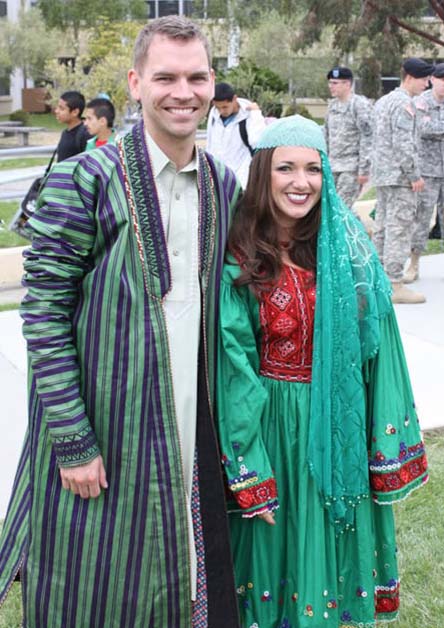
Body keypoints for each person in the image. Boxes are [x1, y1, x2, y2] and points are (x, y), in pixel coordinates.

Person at [0, 16, 241, 628]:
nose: (183, 92)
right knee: (97, 582)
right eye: (165, 77)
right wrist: (72, 439)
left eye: (196, 77)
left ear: (212, 82)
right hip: (106, 430)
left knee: (185, 574)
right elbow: (44, 314)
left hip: (193, 424)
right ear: (136, 83)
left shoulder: (222, 184)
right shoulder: (84, 179)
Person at [217, 115, 428, 628]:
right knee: (271, 564)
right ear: (263, 172)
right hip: (272, 429)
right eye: (286, 168)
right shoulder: (239, 252)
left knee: (327, 566)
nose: (301, 182)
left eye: (313, 169)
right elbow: (233, 364)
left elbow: (381, 349)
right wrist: (249, 466)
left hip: (339, 430)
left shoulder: (346, 248)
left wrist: (378, 440)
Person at [372, 57, 433, 304]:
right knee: (399, 229)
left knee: (382, 227)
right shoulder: (404, 104)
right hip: (399, 177)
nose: (427, 84)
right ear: (409, 77)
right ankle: (394, 283)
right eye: (423, 79)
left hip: (384, 175)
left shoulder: (384, 101)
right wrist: (414, 175)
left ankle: (378, 279)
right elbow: (403, 143)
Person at [405, 63, 444, 282]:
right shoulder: (421, 102)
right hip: (427, 172)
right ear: (433, 80)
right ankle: (414, 263)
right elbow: (423, 128)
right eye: (441, 79)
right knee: (421, 218)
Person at [324, 66, 373, 210]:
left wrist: (364, 169)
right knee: (332, 207)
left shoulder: (359, 105)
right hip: (333, 166)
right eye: (330, 83)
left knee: (341, 208)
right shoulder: (332, 106)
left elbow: (368, 137)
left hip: (351, 167)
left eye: (335, 83)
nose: (331, 86)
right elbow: (327, 135)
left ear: (347, 84)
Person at [206, 81, 266, 188]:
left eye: (225, 107)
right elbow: (210, 143)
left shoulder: (249, 115)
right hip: (217, 176)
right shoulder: (214, 113)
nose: (221, 111)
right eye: (218, 107)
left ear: (234, 99)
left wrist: (256, 114)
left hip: (241, 177)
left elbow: (257, 142)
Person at [54, 90, 90, 161]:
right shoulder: (65, 133)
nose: (56, 111)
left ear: (75, 112)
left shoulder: (85, 134)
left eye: (62, 108)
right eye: (57, 107)